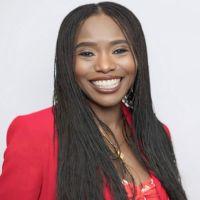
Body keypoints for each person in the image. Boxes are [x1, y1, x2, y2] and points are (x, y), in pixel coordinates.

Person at [0, 1, 187, 200]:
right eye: (87, 53)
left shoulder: (156, 133)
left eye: (119, 50)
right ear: (67, 62)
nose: (105, 66)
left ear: (138, 56)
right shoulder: (34, 133)